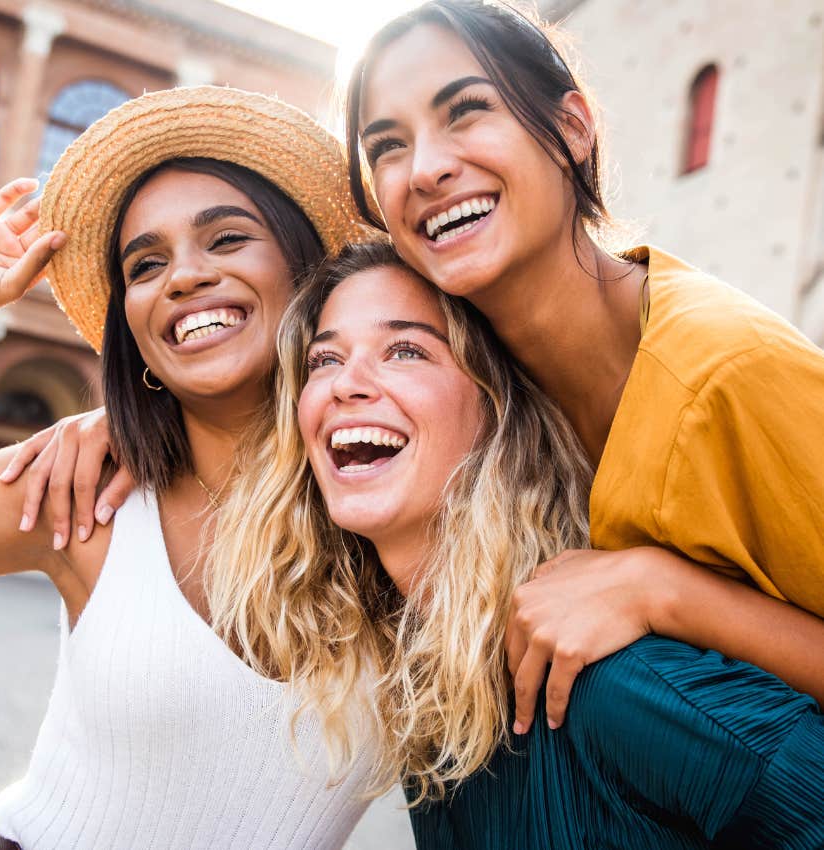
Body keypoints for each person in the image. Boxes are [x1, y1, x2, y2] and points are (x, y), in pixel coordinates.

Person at [211, 239, 824, 849]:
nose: (347, 384)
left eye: (405, 350)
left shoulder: (617, 685)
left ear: (499, 410)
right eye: (325, 361)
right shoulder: (436, 709)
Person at [343, 0, 824, 733]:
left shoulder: (729, 373)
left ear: (572, 127)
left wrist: (663, 590)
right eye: (387, 146)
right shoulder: (466, 387)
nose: (427, 169)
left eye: (466, 111)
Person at [0, 85, 375, 850]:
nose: (183, 276)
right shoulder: (81, 494)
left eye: (226, 239)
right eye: (145, 263)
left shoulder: (396, 504)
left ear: (307, 272)